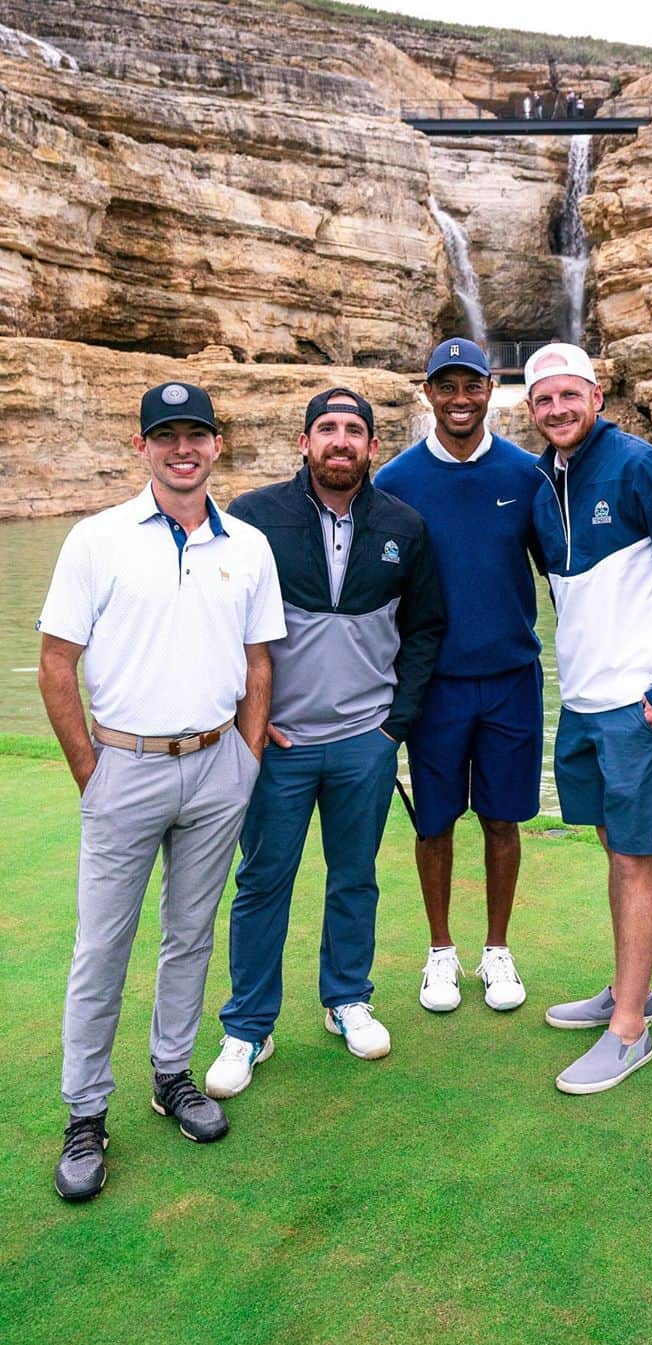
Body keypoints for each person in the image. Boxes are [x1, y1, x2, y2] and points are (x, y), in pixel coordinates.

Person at [38, 381, 285, 1202]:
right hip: (124, 766)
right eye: (166, 435)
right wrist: (91, 769)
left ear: (219, 444)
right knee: (102, 946)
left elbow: (258, 661)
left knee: (191, 933)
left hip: (217, 765)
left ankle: (172, 1072)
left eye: (197, 435)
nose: (184, 449)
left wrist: (247, 759)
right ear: (141, 447)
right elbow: (56, 662)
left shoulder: (246, 544)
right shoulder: (96, 539)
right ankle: (84, 1111)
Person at [204, 387, 445, 1099]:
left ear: (373, 447)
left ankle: (347, 999)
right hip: (278, 743)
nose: (341, 440)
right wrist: (248, 714)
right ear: (305, 442)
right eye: (327, 429)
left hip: (363, 740)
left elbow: (425, 629)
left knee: (355, 876)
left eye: (354, 431)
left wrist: (393, 726)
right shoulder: (251, 517)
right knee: (262, 880)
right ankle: (249, 1026)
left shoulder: (404, 524)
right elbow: (214, 619)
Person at [527, 343, 652, 1094]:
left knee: (635, 857)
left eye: (570, 395)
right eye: (544, 400)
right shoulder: (544, 481)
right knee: (614, 846)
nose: (558, 410)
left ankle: (629, 1027)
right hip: (581, 701)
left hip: (641, 704)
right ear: (533, 409)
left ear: (596, 395)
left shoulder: (641, 467)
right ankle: (627, 986)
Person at [377, 340, 542, 1013]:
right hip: (435, 683)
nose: (461, 399)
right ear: (428, 393)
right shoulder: (394, 480)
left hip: (512, 677)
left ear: (491, 388)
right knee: (434, 825)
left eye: (472, 385)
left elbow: (564, 572)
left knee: (503, 821)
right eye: (446, 386)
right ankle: (440, 951)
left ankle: (497, 950)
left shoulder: (529, 473)